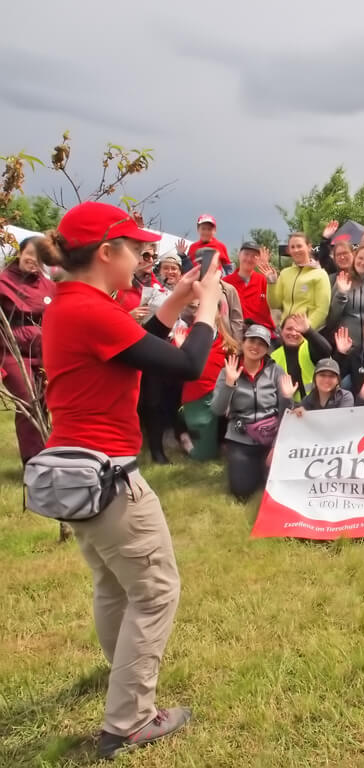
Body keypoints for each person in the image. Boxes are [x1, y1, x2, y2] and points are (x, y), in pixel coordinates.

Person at [38, 201, 222, 758]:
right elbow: (185, 364)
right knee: (156, 590)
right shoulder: (91, 310)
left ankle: (122, 674)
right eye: (136, 248)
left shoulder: (71, 303)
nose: (144, 257)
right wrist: (208, 307)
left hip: (78, 474)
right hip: (111, 476)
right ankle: (131, 720)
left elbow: (134, 347)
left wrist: (176, 299)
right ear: (105, 252)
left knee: (113, 584)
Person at [210, 324, 295, 500]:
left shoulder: (276, 371)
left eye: (261, 343)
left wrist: (276, 446)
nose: (255, 347)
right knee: (241, 491)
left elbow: (286, 413)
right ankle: (254, 468)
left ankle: (263, 467)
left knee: (280, 487)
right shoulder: (228, 370)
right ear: (243, 342)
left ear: (267, 348)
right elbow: (217, 409)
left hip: (271, 437)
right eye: (252, 341)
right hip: (241, 439)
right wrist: (229, 384)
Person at [0, 236, 57, 462]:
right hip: (12, 353)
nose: (34, 260)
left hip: (42, 353)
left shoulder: (48, 285)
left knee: (43, 402)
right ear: (20, 253)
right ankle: (33, 460)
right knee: (28, 400)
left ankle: (47, 454)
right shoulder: (3, 282)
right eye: (30, 254)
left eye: (39, 257)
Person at [177, 303, 239, 460]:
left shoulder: (226, 342)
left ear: (219, 312)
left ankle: (221, 439)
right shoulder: (184, 335)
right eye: (200, 308)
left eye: (210, 307)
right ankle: (184, 431)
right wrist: (180, 348)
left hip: (219, 395)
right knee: (204, 456)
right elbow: (173, 368)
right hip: (197, 397)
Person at [265, 233, 332, 331]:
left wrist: (306, 329)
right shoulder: (285, 273)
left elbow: (322, 309)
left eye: (299, 246)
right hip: (286, 331)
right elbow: (275, 304)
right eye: (292, 247)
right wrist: (271, 283)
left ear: (309, 247)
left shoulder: (320, 274)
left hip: (307, 332)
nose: (296, 250)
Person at [270, 313, 334, 402]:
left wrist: (308, 331)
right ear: (281, 331)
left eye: (298, 330)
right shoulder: (274, 356)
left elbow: (327, 351)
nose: (293, 333)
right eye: (289, 329)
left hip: (317, 403)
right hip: (288, 405)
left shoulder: (311, 347)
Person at [223, 242, 275, 331]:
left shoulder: (264, 280)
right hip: (236, 331)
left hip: (262, 330)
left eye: (254, 256)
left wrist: (272, 282)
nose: (249, 259)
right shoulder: (226, 282)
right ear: (239, 255)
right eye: (246, 254)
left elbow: (275, 304)